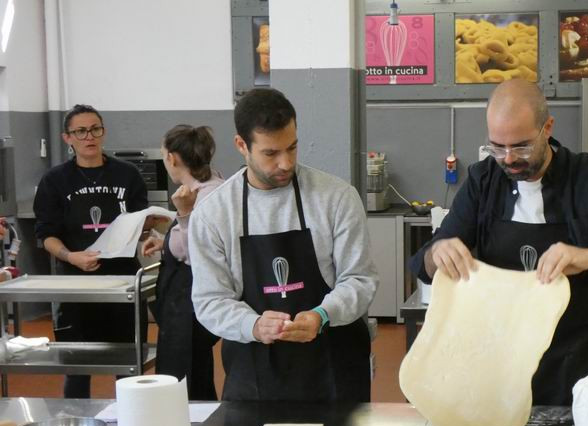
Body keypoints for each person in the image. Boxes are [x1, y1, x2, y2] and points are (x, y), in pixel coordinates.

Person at [410, 79, 588, 407]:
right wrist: (438, 252)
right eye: (498, 147)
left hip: (578, 357)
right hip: (500, 357)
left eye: (521, 147)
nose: (508, 159)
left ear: (547, 127)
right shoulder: (484, 181)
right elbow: (423, 264)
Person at [188, 88, 378, 402]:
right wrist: (253, 325)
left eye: (292, 148)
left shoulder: (336, 197)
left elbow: (360, 279)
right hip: (255, 370)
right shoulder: (214, 213)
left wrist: (322, 314)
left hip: (334, 362)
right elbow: (210, 301)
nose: (285, 163)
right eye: (270, 153)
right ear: (241, 146)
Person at [34, 104, 153, 398]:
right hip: (75, 286)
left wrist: (151, 231)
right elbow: (46, 235)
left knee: (129, 365)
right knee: (77, 365)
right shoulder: (54, 181)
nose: (90, 136)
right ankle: (75, 424)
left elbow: (142, 225)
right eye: (81, 131)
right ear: (67, 138)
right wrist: (71, 256)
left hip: (123, 283)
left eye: (95, 129)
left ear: (103, 132)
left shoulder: (128, 175)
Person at [142, 125, 224, 400]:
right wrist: (165, 242)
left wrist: (184, 214)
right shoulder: (199, 187)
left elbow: (198, 249)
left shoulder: (206, 194)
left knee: (184, 377)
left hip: (190, 300)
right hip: (181, 298)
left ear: (173, 158)